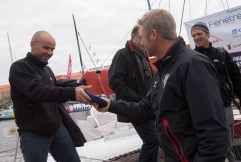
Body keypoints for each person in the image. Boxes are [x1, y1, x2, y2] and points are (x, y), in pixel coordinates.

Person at [92, 9, 229, 162]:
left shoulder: (192, 65)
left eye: (142, 37)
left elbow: (213, 132)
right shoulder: (163, 70)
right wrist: (110, 105)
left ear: (153, 34)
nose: (142, 43)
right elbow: (146, 108)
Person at [9, 31, 92, 162]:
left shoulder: (47, 70)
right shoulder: (19, 67)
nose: (50, 52)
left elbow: (55, 87)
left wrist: (77, 85)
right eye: (46, 48)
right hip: (33, 132)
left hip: (57, 129)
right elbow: (38, 91)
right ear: (32, 44)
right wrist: (72, 93)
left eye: (52, 49)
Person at [191, 22, 241, 162]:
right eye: (193, 35)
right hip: (203, 111)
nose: (196, 37)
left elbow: (236, 76)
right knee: (210, 147)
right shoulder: (191, 58)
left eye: (199, 34)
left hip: (224, 107)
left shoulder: (221, 53)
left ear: (208, 34)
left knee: (227, 146)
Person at [109, 25, 159, 162]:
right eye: (141, 38)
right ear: (132, 37)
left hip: (148, 105)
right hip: (135, 106)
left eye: (146, 38)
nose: (144, 42)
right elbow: (115, 83)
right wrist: (138, 99)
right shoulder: (122, 55)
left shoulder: (143, 54)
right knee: (152, 140)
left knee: (154, 139)